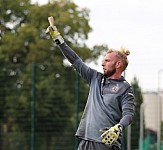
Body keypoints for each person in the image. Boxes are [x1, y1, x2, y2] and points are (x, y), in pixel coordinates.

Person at [46, 17, 135, 150]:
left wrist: (118, 127)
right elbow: (76, 61)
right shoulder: (95, 78)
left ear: (118, 64)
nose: (102, 63)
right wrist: (58, 39)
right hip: (85, 140)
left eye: (107, 61)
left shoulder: (125, 88)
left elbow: (128, 115)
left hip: (105, 144)